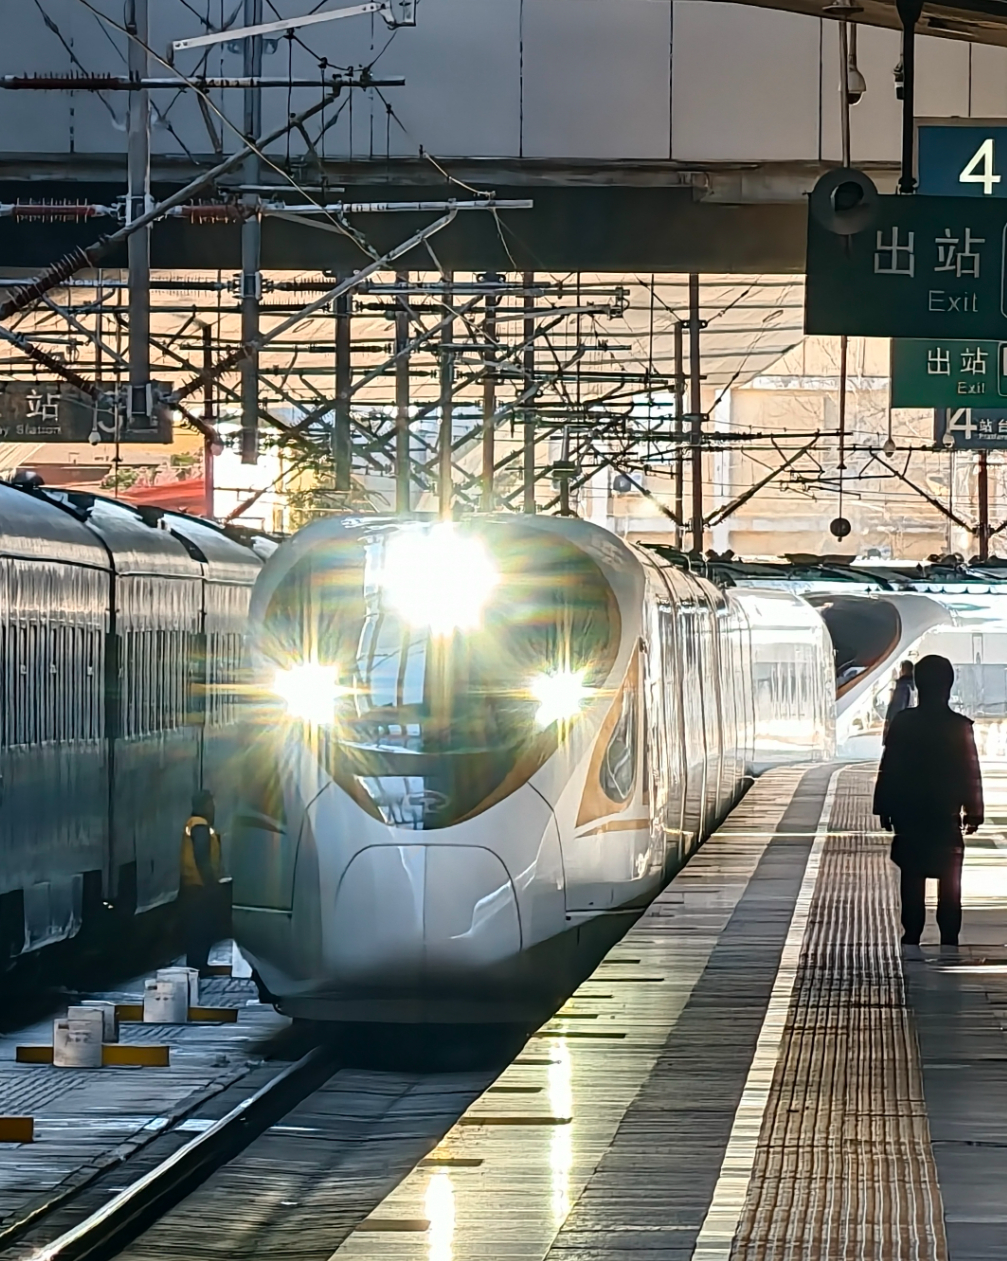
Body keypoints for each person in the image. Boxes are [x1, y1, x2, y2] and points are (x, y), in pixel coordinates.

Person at [873, 654, 983, 960]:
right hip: (945, 814)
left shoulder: (903, 723)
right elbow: (970, 770)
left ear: (918, 686)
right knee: (950, 877)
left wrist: (884, 806)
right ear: (949, 686)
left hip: (909, 814)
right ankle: (949, 934)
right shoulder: (959, 726)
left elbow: (889, 766)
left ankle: (911, 933)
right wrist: (974, 810)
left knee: (911, 874)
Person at [180, 789, 224, 975]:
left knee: (196, 928)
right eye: (210, 804)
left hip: (192, 885)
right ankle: (199, 966)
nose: (213, 808)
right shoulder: (199, 825)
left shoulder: (194, 823)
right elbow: (202, 855)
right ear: (204, 806)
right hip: (199, 886)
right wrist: (210, 882)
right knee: (201, 927)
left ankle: (196, 964)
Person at [883, 659, 916, 742]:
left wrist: (889, 732)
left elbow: (896, 710)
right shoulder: (913, 687)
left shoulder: (902, 687)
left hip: (898, 731)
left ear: (903, 671)